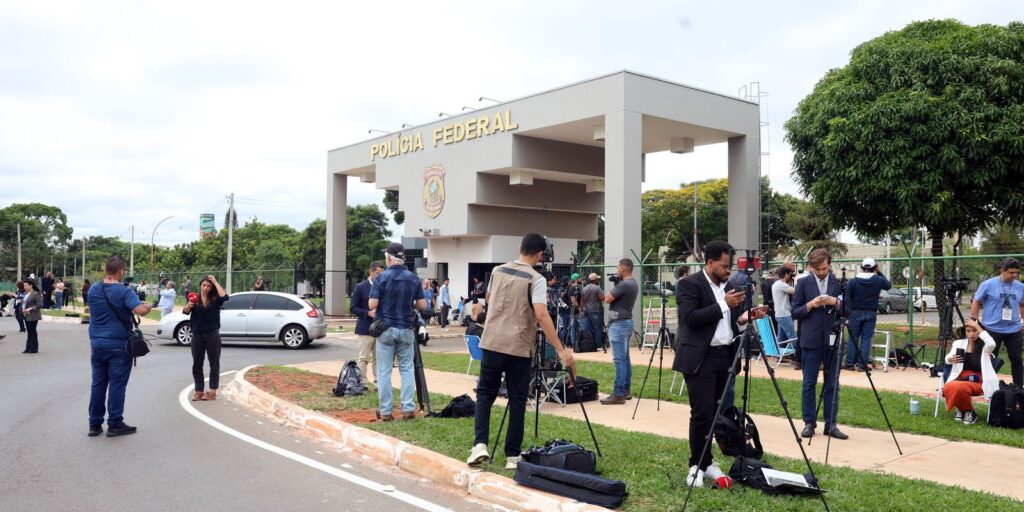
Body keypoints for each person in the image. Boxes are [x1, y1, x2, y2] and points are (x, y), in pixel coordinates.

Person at [467, 233, 575, 469]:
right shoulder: (536, 279)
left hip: (492, 341)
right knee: (517, 399)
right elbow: (541, 314)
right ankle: (512, 456)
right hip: (518, 345)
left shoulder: (497, 271)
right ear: (540, 255)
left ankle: (479, 445)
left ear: (519, 248)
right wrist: (560, 348)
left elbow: (489, 298)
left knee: (485, 393)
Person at [672, 241, 763, 488]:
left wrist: (745, 318)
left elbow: (730, 324)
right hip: (701, 358)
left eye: (730, 266)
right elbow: (690, 319)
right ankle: (696, 465)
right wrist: (724, 304)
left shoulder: (729, 287)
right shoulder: (689, 285)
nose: (728, 271)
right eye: (724, 266)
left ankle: (707, 461)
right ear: (709, 262)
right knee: (701, 414)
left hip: (725, 356)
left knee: (716, 414)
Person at [87, 255, 152, 437]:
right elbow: (140, 311)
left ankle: (94, 423)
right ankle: (115, 423)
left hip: (97, 344)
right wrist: (147, 306)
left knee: (98, 383)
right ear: (121, 270)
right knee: (117, 384)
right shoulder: (125, 291)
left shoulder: (93, 289)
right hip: (118, 345)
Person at [792, 248, 848, 440]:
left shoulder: (838, 283)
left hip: (832, 338)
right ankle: (809, 422)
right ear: (811, 267)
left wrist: (836, 303)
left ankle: (831, 424)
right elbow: (794, 312)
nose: (822, 272)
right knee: (809, 382)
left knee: (832, 383)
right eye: (818, 269)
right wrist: (811, 305)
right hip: (811, 339)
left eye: (824, 268)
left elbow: (848, 310)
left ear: (829, 265)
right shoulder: (802, 282)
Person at [368, 243, 427, 421]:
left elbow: (372, 304)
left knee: (384, 370)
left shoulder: (381, 278)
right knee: (407, 369)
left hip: (385, 329)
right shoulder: (413, 278)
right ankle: (408, 409)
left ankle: (386, 411)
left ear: (389, 258)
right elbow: (423, 305)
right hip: (406, 329)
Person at [971, 258, 1024, 386]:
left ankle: (1018, 388)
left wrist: (1023, 320)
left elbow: (1022, 304)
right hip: (992, 329)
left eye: (1016, 272)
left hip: (1014, 329)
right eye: (1011, 272)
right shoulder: (988, 284)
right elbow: (976, 302)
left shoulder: (1021, 286)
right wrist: (975, 322)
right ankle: (987, 386)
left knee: (1016, 359)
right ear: (1002, 270)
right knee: (988, 359)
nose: (1014, 275)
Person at [942, 318, 997, 424]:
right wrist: (950, 359)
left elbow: (992, 344)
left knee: (956, 387)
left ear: (979, 330)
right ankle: (967, 411)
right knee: (949, 386)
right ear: (965, 332)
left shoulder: (985, 346)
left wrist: (977, 326)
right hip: (960, 378)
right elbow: (947, 358)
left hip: (979, 380)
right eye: (968, 331)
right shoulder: (959, 343)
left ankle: (964, 410)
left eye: (974, 330)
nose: (971, 334)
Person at [182, 275, 229, 401]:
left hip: (212, 334)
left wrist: (215, 281)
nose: (206, 288)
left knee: (214, 363)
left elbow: (225, 297)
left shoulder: (215, 298)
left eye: (208, 286)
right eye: (204, 285)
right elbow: (186, 311)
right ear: (200, 286)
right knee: (197, 364)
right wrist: (189, 305)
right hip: (197, 335)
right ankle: (199, 391)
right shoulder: (194, 298)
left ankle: (213, 391)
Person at [600, 259, 640, 405]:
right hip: (626, 322)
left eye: (618, 267)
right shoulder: (633, 283)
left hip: (618, 323)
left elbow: (608, 299)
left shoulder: (624, 284)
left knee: (619, 360)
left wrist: (616, 285)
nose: (617, 270)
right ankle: (625, 390)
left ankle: (618, 393)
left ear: (623, 269)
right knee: (625, 359)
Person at [844, 258, 891, 371]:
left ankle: (850, 363)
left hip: (855, 312)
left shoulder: (853, 281)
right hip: (871, 312)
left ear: (862, 267)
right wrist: (879, 272)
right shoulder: (878, 280)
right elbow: (888, 285)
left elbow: (847, 297)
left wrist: (849, 311)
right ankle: (862, 365)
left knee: (853, 338)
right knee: (866, 339)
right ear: (874, 268)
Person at [350, 261, 384, 383]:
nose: (380, 276)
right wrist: (367, 313)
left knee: (378, 358)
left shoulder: (383, 286)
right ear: (371, 272)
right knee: (363, 357)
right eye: (377, 273)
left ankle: (378, 383)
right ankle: (362, 382)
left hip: (380, 328)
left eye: (382, 274)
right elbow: (353, 307)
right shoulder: (360, 287)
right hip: (365, 328)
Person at [771, 266, 797, 347]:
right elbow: (795, 291)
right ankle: (793, 354)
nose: (790, 276)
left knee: (781, 337)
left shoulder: (776, 284)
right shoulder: (782, 285)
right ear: (786, 275)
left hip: (779, 314)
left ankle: (779, 356)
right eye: (789, 274)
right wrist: (797, 280)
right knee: (792, 336)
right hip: (784, 314)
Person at [579, 273, 605, 348]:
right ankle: (599, 345)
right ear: (595, 280)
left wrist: (581, 310)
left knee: (588, 328)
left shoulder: (584, 288)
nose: (598, 280)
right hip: (594, 311)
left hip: (585, 310)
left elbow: (582, 301)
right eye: (597, 279)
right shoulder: (597, 288)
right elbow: (602, 298)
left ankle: (590, 345)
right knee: (598, 328)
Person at [20, 279, 43, 353]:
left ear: (31, 285)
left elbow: (40, 304)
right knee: (29, 332)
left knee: (32, 331)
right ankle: (28, 348)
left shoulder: (35, 294)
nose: (24, 287)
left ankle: (34, 348)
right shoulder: (26, 293)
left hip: (33, 315)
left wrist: (31, 308)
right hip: (26, 315)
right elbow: (25, 303)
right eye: (24, 285)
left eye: (26, 285)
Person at [557, 276, 575, 349]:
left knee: (566, 327)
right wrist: (567, 307)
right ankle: (563, 343)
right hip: (564, 311)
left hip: (564, 311)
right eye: (569, 280)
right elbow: (560, 301)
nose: (570, 282)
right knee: (565, 327)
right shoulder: (562, 289)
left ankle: (564, 343)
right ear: (567, 281)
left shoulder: (564, 288)